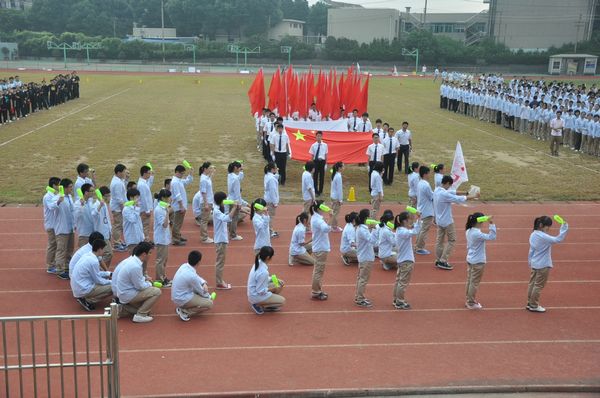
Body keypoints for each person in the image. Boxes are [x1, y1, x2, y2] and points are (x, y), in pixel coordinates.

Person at [433, 175, 479, 270]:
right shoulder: (444, 194)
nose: (450, 187)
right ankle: (443, 260)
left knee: (439, 240)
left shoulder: (437, 190)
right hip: (447, 221)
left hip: (439, 220)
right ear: (448, 183)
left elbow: (453, 192)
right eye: (450, 185)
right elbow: (459, 199)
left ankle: (438, 259)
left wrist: (466, 192)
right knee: (452, 240)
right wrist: (473, 196)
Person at [527, 216, 568, 313]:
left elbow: (531, 250)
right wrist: (564, 227)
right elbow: (558, 239)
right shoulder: (543, 236)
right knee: (538, 285)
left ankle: (529, 302)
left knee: (532, 284)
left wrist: (530, 261)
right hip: (543, 265)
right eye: (548, 227)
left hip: (535, 263)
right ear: (541, 226)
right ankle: (534, 305)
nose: (549, 229)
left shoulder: (533, 234)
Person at [112, 242, 161, 323]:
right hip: (126, 294)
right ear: (144, 254)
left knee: (147, 309)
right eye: (150, 253)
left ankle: (122, 309)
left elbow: (136, 280)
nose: (151, 255)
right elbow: (140, 286)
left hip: (123, 292)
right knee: (156, 291)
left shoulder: (132, 261)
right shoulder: (135, 266)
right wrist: (149, 283)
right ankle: (140, 315)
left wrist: (145, 279)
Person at [465, 213, 497, 310]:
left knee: (470, 281)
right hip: (478, 261)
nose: (483, 223)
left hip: (471, 259)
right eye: (482, 222)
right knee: (474, 282)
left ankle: (469, 299)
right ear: (478, 222)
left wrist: (485, 218)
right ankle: (470, 302)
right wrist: (491, 224)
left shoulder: (469, 230)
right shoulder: (477, 233)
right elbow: (492, 237)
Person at [70, 239, 112, 312]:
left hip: (78, 286)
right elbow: (98, 280)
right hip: (83, 288)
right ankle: (88, 300)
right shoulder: (94, 261)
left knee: (106, 282)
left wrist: (109, 274)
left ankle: (85, 297)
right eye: (103, 249)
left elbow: (96, 273)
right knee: (113, 287)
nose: (104, 251)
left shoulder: (88, 255)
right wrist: (112, 281)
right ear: (99, 249)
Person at [171, 250, 214, 321]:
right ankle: (185, 312)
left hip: (177, 296)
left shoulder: (184, 266)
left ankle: (183, 308)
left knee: (200, 294)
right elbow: (201, 291)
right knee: (209, 304)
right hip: (182, 298)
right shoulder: (191, 276)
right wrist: (209, 297)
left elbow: (196, 277)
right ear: (199, 262)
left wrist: (203, 282)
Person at [393, 211, 422, 310]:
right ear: (404, 221)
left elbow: (412, 229)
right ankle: (400, 301)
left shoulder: (399, 230)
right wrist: (419, 219)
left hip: (402, 259)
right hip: (406, 260)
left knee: (398, 281)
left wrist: (415, 221)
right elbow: (416, 231)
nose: (411, 220)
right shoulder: (403, 232)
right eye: (409, 219)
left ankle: (396, 299)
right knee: (403, 282)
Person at [213, 191, 240, 290]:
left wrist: (232, 203)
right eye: (224, 200)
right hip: (220, 240)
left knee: (221, 261)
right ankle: (219, 282)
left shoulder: (219, 207)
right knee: (220, 262)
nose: (225, 201)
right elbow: (227, 218)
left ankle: (219, 281)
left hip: (222, 239)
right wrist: (234, 207)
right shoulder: (216, 211)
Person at [247, 246, 286, 314]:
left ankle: (267, 303)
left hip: (253, 293)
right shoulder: (263, 272)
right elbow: (260, 291)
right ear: (268, 257)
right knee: (282, 301)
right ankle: (258, 304)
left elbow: (264, 278)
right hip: (256, 296)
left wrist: (276, 279)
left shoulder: (258, 262)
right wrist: (273, 288)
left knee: (278, 283)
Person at [354, 209, 378, 307]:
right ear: (366, 218)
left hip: (364, 256)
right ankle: (360, 298)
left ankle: (359, 296)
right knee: (363, 279)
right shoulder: (362, 229)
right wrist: (375, 229)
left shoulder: (361, 228)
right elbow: (371, 240)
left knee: (361, 278)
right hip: (366, 257)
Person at [310, 200, 332, 300]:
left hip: (319, 247)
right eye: (323, 205)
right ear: (319, 208)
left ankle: (318, 289)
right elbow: (326, 229)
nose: (325, 207)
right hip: (320, 248)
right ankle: (316, 291)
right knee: (318, 271)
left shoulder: (316, 218)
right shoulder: (318, 220)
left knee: (318, 270)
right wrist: (331, 218)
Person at [55, 178, 75, 280]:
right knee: (61, 250)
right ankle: (59, 270)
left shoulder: (70, 197)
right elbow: (52, 207)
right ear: (65, 188)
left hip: (70, 228)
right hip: (62, 229)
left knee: (70, 249)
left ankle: (67, 268)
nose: (72, 188)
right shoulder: (58, 197)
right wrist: (58, 201)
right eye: (70, 187)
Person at [153, 189, 172, 287]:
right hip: (161, 239)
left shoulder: (164, 208)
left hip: (165, 238)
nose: (170, 199)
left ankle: (163, 277)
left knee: (164, 260)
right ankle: (159, 280)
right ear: (164, 198)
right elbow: (164, 225)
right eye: (169, 197)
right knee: (160, 260)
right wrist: (168, 213)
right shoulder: (159, 209)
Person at [91, 186, 113, 267]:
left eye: (109, 195)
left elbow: (107, 219)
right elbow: (93, 214)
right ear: (102, 196)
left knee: (103, 254)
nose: (109, 198)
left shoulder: (106, 205)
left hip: (107, 233)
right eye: (107, 196)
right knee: (109, 253)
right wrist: (100, 205)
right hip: (101, 234)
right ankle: (100, 269)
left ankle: (101, 271)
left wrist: (110, 232)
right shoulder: (97, 204)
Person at [171, 164, 193, 246]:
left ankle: (178, 236)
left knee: (179, 223)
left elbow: (187, 181)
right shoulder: (175, 182)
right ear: (177, 172)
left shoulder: (179, 180)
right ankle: (175, 239)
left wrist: (190, 173)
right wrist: (181, 206)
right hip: (178, 207)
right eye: (182, 173)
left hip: (181, 206)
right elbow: (177, 195)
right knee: (176, 223)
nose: (183, 175)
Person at [193, 162, 215, 243]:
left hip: (209, 201)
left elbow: (209, 180)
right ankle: (204, 238)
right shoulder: (203, 179)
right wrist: (206, 203)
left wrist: (211, 173)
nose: (211, 169)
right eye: (209, 168)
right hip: (206, 202)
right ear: (205, 169)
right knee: (204, 221)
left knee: (205, 220)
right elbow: (203, 192)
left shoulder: (206, 177)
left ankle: (205, 237)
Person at [227, 161, 249, 241]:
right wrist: (239, 203)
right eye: (239, 168)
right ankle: (233, 235)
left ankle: (231, 232)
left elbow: (239, 177)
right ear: (235, 168)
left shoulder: (230, 175)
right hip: (235, 201)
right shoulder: (235, 178)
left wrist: (241, 170)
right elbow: (237, 192)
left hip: (230, 200)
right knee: (234, 218)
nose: (240, 169)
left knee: (231, 217)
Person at [415, 166, 434, 255]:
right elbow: (432, 197)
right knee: (424, 230)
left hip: (421, 208)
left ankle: (418, 246)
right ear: (425, 174)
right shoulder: (426, 185)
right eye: (429, 173)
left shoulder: (420, 183)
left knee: (421, 229)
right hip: (427, 210)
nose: (430, 175)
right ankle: (419, 247)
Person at [43, 177, 61, 274]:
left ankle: (54, 263)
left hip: (56, 224)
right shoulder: (47, 196)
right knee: (52, 244)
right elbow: (51, 207)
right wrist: (59, 200)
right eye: (58, 185)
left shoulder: (56, 194)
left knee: (57, 245)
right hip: (51, 224)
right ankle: (50, 265)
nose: (60, 187)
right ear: (54, 185)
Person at [109, 164, 127, 252]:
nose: (125, 173)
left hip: (118, 207)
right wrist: (124, 209)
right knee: (118, 225)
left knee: (119, 225)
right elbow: (119, 199)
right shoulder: (116, 183)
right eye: (124, 171)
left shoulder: (119, 180)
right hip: (117, 208)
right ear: (119, 172)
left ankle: (119, 240)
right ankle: (116, 243)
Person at [74, 183, 95, 248]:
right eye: (91, 191)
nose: (93, 193)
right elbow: (77, 215)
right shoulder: (78, 203)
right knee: (83, 253)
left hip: (92, 232)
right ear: (86, 192)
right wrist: (82, 205)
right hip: (84, 234)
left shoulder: (90, 201)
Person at [137, 165, 154, 240]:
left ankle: (146, 240)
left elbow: (149, 184)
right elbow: (143, 198)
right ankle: (145, 241)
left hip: (146, 209)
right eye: (149, 173)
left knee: (146, 226)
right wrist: (147, 210)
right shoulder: (141, 185)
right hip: (144, 210)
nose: (150, 175)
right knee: (145, 226)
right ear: (144, 173)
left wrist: (152, 176)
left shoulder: (144, 182)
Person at [263, 162, 280, 238]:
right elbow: (273, 190)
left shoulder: (267, 175)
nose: (277, 169)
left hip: (267, 198)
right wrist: (275, 202)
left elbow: (275, 178)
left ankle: (269, 230)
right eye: (276, 168)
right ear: (272, 169)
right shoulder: (271, 179)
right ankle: (269, 232)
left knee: (268, 215)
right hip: (270, 200)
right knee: (270, 216)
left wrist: (276, 172)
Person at [309, 131, 328, 196]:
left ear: (322, 136)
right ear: (316, 137)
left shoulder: (325, 145)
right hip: (315, 162)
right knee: (315, 177)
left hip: (322, 161)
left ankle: (320, 191)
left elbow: (326, 155)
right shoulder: (313, 145)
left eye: (320, 136)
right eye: (317, 136)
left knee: (322, 177)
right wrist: (311, 164)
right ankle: (316, 191)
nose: (319, 137)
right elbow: (312, 155)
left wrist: (326, 163)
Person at [329, 162, 344, 232]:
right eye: (342, 166)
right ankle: (334, 226)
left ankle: (332, 225)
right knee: (335, 213)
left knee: (333, 211)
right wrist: (340, 199)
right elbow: (339, 189)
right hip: (336, 197)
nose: (344, 168)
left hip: (333, 196)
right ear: (339, 168)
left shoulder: (334, 174)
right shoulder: (338, 176)